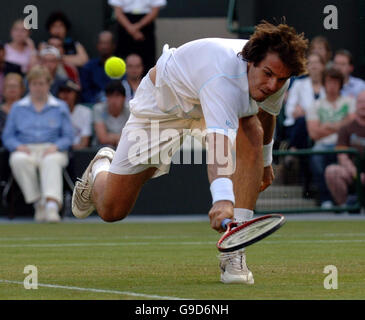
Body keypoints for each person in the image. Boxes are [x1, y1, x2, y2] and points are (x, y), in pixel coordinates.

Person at [72, 21, 308, 284]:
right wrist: (221, 200)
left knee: (251, 128)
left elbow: (266, 116)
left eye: (281, 79)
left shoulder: (277, 75)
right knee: (112, 209)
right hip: (164, 107)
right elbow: (219, 148)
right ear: (251, 61)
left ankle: (234, 250)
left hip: (208, 106)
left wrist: (265, 162)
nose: (273, 84)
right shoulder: (223, 77)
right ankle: (101, 169)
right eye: (267, 74)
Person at [2, 65, 74, 223]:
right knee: (17, 159)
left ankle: (51, 205)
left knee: (51, 160)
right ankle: (38, 202)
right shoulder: (17, 107)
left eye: (42, 83)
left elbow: (69, 136)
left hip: (52, 148)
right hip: (26, 148)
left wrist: (56, 146)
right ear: (29, 85)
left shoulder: (60, 107)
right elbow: (7, 136)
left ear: (48, 84)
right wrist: (17, 146)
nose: (38, 88)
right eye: (35, 84)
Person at [306, 68, 356, 208]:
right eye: (329, 82)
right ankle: (325, 199)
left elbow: (352, 125)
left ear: (340, 84)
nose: (332, 85)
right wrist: (342, 124)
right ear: (324, 84)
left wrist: (329, 126)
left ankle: (351, 198)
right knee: (316, 155)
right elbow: (313, 133)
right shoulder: (315, 105)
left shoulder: (350, 102)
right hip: (323, 145)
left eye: (335, 82)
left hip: (345, 144)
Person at [325, 90, 365, 206]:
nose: (363, 105)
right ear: (356, 105)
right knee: (332, 171)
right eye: (361, 102)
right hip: (352, 173)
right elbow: (342, 157)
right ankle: (345, 207)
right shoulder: (346, 128)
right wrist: (357, 174)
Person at [109, 0, 166, 73]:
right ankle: (123, 83)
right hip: (125, 24)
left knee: (148, 60)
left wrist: (136, 27)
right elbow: (118, 12)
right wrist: (131, 29)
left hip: (146, 25)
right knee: (122, 57)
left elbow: (155, 11)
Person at [80, 31, 116, 103]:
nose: (104, 46)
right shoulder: (88, 67)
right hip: (93, 107)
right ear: (97, 45)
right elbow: (85, 92)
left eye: (107, 43)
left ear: (113, 46)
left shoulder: (122, 66)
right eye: (101, 43)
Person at [93, 80, 130, 148]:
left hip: (125, 149)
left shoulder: (130, 110)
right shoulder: (98, 109)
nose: (113, 100)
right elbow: (103, 139)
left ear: (124, 98)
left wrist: (111, 137)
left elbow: (133, 137)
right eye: (110, 96)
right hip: (100, 150)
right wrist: (123, 138)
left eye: (117, 96)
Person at [57, 79, 92, 150]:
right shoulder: (53, 112)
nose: (65, 95)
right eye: (62, 91)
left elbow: (84, 141)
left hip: (78, 152)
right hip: (58, 150)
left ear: (75, 94)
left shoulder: (85, 111)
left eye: (68, 91)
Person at [0, 73, 25, 146]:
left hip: (23, 146)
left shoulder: (29, 109)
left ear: (22, 89)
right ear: (3, 90)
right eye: (9, 86)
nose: (12, 88)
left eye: (15, 86)